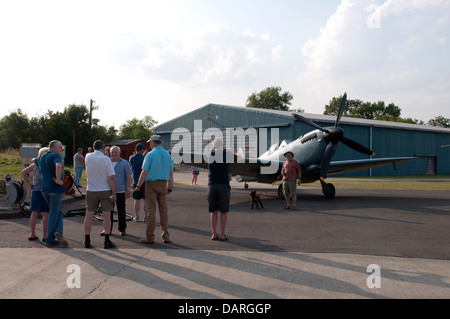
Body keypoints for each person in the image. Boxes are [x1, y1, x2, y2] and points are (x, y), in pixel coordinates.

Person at [134, 135, 173, 244]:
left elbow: (144, 172)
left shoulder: (150, 155)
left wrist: (138, 186)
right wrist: (169, 186)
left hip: (151, 184)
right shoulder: (167, 155)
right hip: (163, 183)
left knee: (151, 210)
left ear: (152, 142)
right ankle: (166, 235)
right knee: (163, 210)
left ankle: (150, 237)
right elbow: (170, 173)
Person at [83, 140, 116, 249]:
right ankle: (107, 240)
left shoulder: (88, 156)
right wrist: (113, 193)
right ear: (104, 148)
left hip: (91, 189)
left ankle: (87, 240)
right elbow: (111, 178)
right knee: (106, 215)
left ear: (93, 148)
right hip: (104, 189)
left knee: (89, 215)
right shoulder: (106, 159)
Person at [207, 138, 239, 241]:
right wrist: (232, 151)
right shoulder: (227, 154)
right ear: (222, 145)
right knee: (223, 212)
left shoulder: (210, 154)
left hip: (212, 184)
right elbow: (240, 158)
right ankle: (222, 234)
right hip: (223, 185)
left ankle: (214, 234)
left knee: (213, 211)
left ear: (214, 145)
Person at [39, 140, 68, 247]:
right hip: (55, 189)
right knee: (53, 213)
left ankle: (58, 231)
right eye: (60, 147)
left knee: (57, 212)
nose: (62, 149)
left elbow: (34, 160)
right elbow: (58, 166)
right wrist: (59, 180)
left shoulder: (42, 156)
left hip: (45, 188)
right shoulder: (56, 156)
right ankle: (50, 239)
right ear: (54, 147)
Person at [21, 147, 49, 242]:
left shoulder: (34, 165)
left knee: (34, 212)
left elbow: (24, 172)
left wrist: (28, 182)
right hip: (45, 190)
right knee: (45, 213)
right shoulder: (47, 164)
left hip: (35, 190)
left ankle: (32, 233)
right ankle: (45, 235)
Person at [105, 146, 132, 236]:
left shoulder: (125, 163)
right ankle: (108, 229)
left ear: (119, 153)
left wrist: (127, 188)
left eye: (116, 152)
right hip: (108, 190)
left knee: (121, 210)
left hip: (120, 191)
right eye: (113, 152)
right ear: (110, 152)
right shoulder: (106, 162)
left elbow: (128, 176)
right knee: (108, 211)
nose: (114, 154)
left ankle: (122, 229)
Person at [129, 143, 147, 222]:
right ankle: (146, 217)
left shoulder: (131, 158)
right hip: (144, 180)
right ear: (142, 149)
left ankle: (137, 216)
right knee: (145, 200)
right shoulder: (145, 158)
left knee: (137, 200)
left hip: (136, 180)